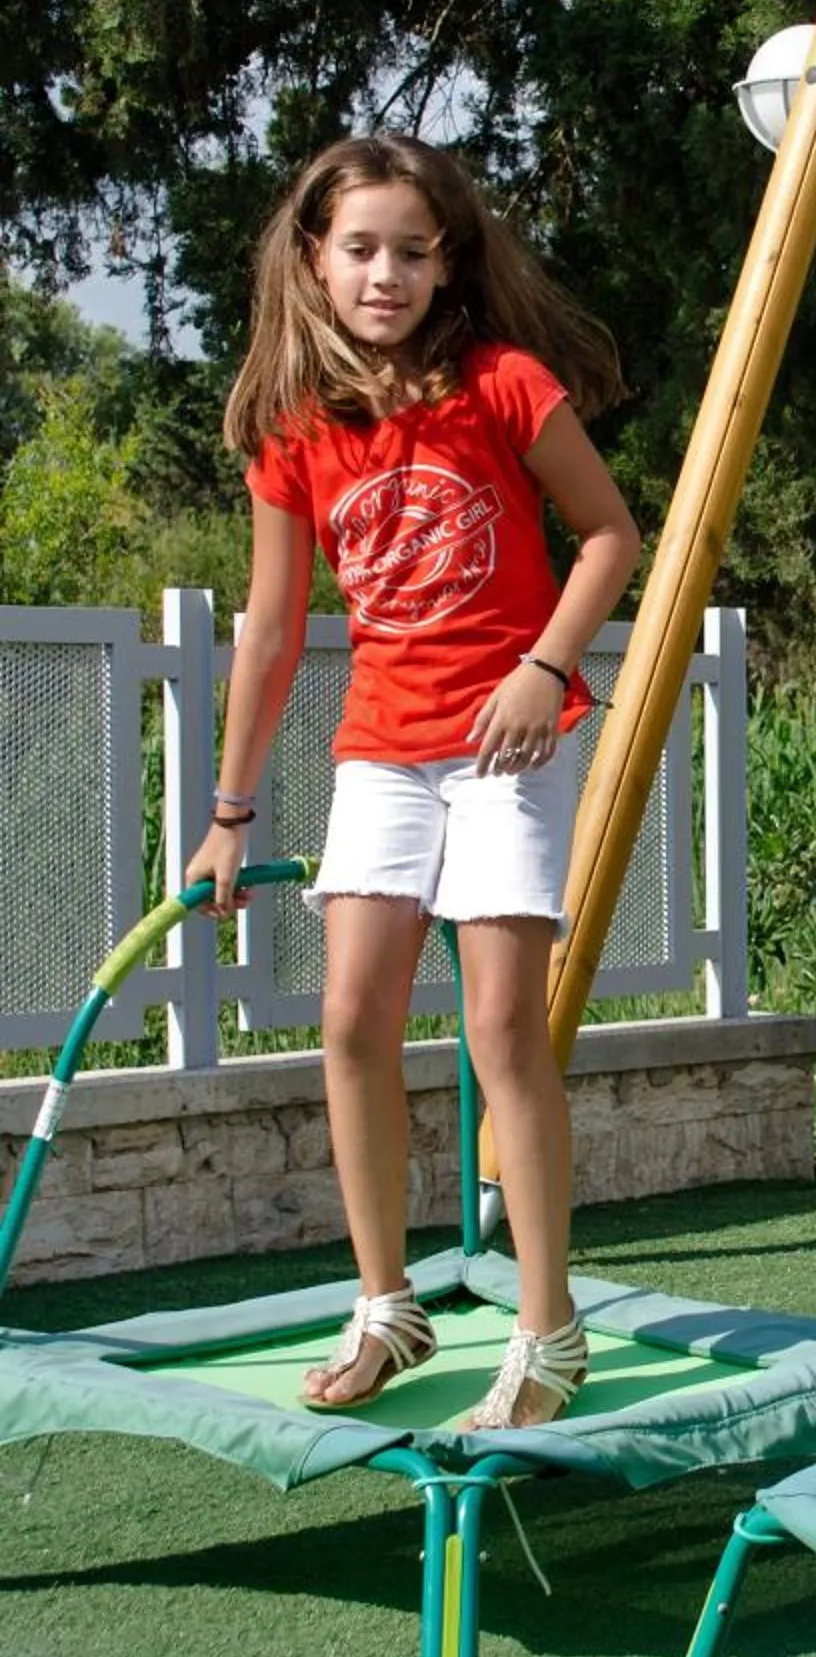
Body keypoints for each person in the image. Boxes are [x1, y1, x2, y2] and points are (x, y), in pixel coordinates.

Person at [185, 133, 642, 1429]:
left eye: (412, 251)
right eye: (360, 249)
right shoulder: (294, 426)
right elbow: (273, 630)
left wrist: (543, 669)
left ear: (449, 265)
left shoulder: (502, 384)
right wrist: (227, 815)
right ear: (313, 260)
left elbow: (610, 535)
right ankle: (387, 1306)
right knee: (349, 1022)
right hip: (384, 747)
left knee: (500, 1027)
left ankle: (549, 1332)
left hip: (505, 742)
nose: (384, 274)